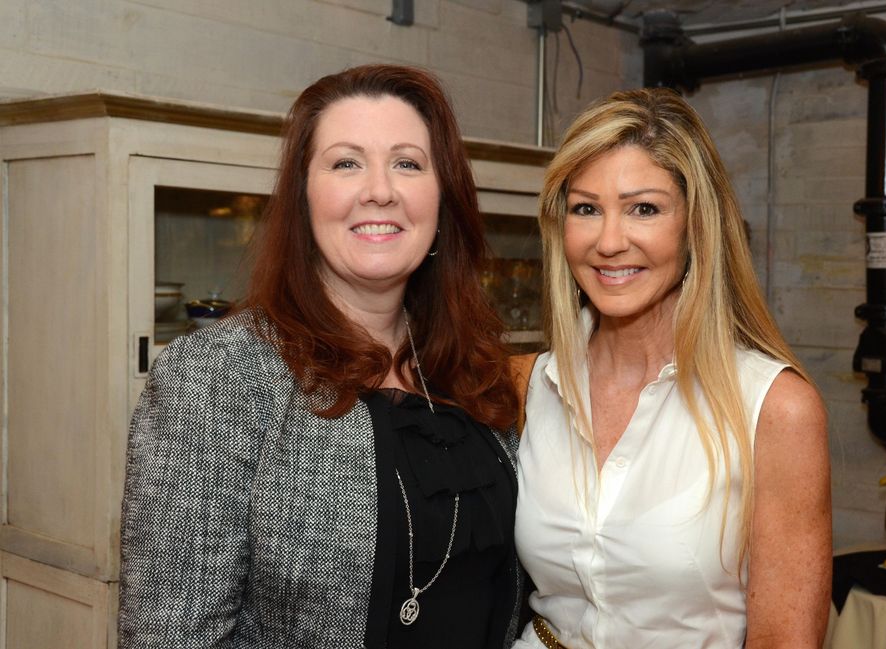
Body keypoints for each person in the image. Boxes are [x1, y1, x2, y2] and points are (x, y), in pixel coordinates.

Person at [118, 64, 522, 648]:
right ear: (303, 197)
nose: (379, 190)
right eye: (346, 163)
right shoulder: (220, 374)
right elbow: (169, 636)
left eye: (408, 164)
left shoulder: (472, 369)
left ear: (443, 198)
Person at [512, 88, 831, 648]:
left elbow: (784, 640)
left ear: (696, 226)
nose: (610, 242)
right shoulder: (527, 385)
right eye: (586, 209)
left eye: (644, 209)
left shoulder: (776, 409)